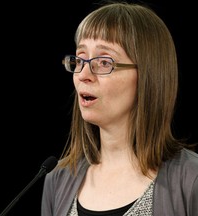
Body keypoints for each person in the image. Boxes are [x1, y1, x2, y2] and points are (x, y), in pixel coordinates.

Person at [41, 1, 198, 216]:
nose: (83, 75)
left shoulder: (192, 180)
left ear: (148, 76)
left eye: (104, 62)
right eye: (80, 60)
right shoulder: (56, 179)